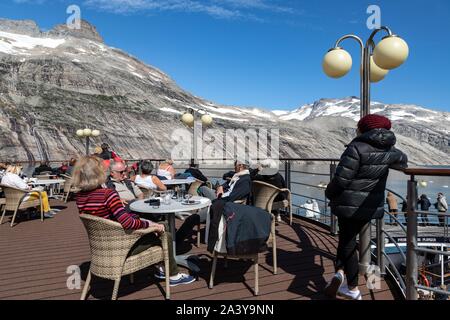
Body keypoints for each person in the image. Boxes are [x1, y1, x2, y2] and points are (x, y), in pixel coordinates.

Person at [72, 156, 195, 286]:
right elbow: (128, 223)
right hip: (123, 247)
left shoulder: (79, 197)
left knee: (162, 225)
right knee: (166, 235)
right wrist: (149, 224)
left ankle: (162, 266)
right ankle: (173, 275)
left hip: (104, 247)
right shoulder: (108, 194)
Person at [324, 114, 408, 300]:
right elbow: (403, 160)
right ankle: (341, 273)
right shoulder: (391, 150)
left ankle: (352, 288)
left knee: (347, 243)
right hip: (369, 207)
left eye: (358, 127)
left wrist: (328, 193)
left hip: (349, 206)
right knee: (350, 241)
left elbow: (340, 180)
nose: (356, 129)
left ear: (364, 129)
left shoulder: (356, 147)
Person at [177, 160, 252, 245]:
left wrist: (217, 200)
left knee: (191, 219)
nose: (234, 167)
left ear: (240, 166)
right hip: (220, 199)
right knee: (203, 188)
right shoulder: (238, 176)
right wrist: (220, 187)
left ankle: (175, 242)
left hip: (222, 206)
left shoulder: (245, 180)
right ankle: (206, 209)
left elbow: (232, 198)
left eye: (235, 165)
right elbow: (227, 184)